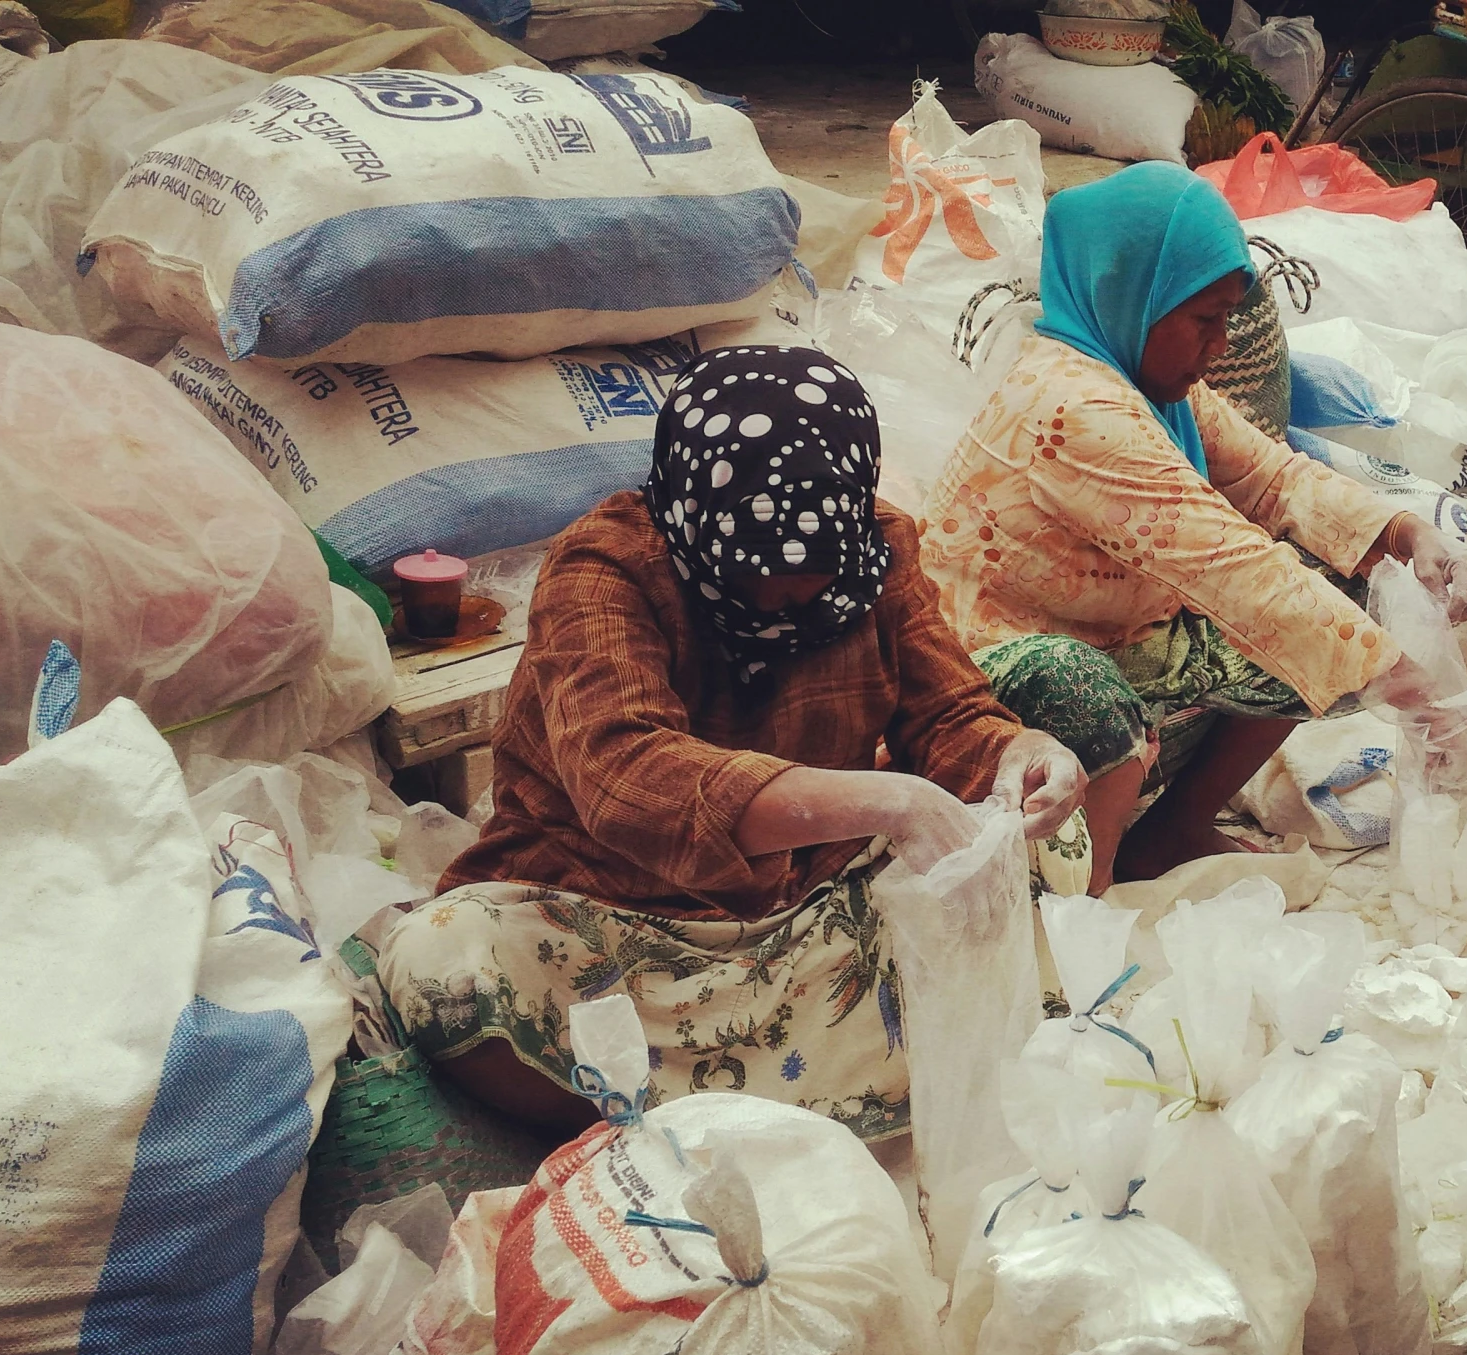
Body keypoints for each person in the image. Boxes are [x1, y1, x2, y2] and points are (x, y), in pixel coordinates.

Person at [378, 345, 1088, 1135]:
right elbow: (626, 773)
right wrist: (888, 798)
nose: (783, 592)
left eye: (809, 566)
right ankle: (658, 1129)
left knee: (1042, 850)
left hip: (806, 912)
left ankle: (800, 1101)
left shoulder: (878, 550)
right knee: (445, 962)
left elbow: (952, 716)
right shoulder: (604, 566)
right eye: (754, 565)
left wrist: (1020, 755)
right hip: (620, 918)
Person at [924, 162, 1467, 894]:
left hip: (1106, 628)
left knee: (1312, 626)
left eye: (1227, 318)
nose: (1219, 344)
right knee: (1101, 689)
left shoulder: (1153, 386)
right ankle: (1083, 901)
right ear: (1130, 296)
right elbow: (1234, 569)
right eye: (1203, 320)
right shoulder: (1074, 409)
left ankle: (1169, 832)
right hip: (992, 661)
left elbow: (1273, 477)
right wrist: (1410, 685)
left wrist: (1409, 531)